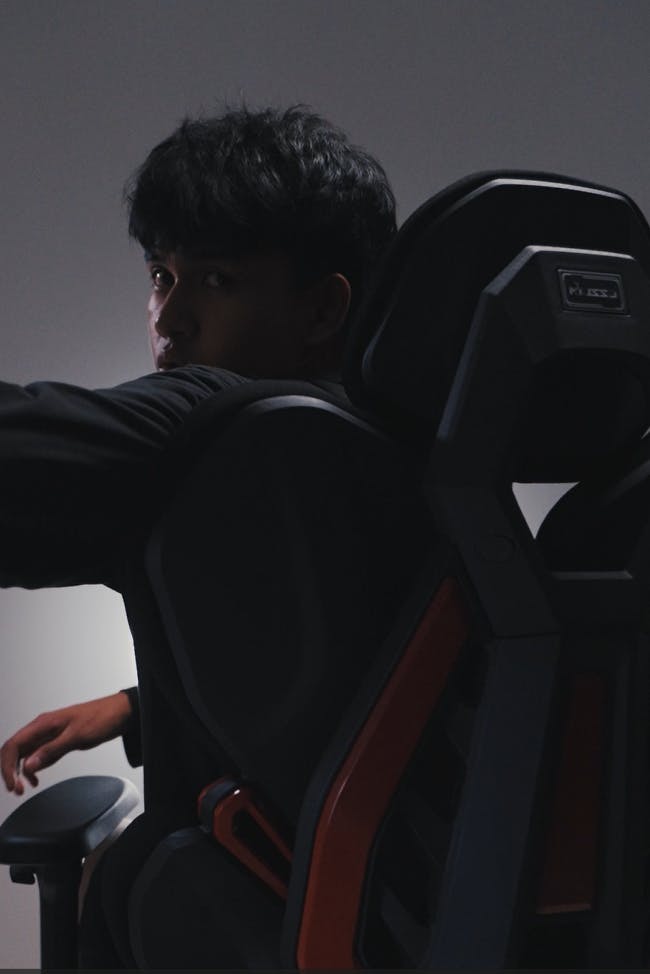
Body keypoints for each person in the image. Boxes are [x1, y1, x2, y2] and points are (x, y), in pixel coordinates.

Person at [0, 104, 396, 966]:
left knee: (124, 872)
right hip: (389, 913)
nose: (169, 318)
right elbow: (358, 680)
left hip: (260, 911)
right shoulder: (409, 440)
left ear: (322, 308)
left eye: (215, 280)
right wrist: (136, 709)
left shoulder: (220, 428)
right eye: (161, 275)